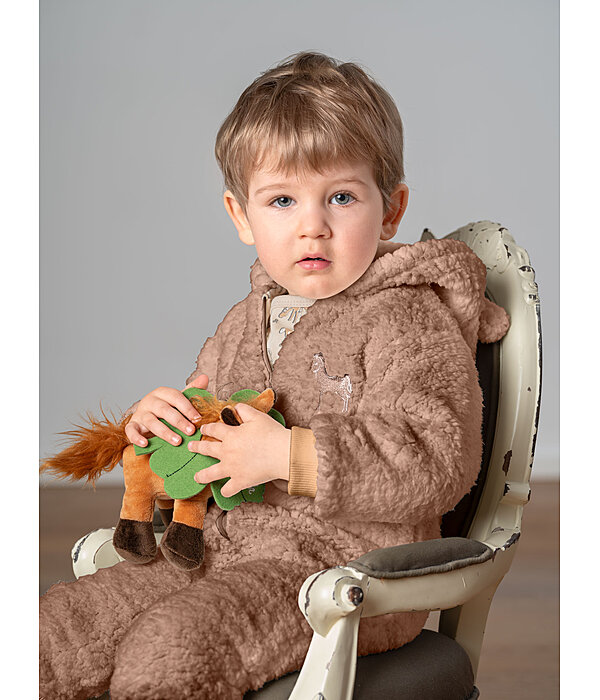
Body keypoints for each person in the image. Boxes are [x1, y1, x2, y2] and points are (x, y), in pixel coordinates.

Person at [39, 51, 509, 700]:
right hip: (215, 550)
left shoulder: (407, 317)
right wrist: (158, 434)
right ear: (241, 216)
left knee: (172, 650)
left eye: (341, 197)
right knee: (55, 632)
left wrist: (292, 457)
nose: (313, 225)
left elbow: (439, 456)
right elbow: (195, 463)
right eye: (282, 200)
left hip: (339, 572)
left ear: (390, 209)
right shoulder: (245, 320)